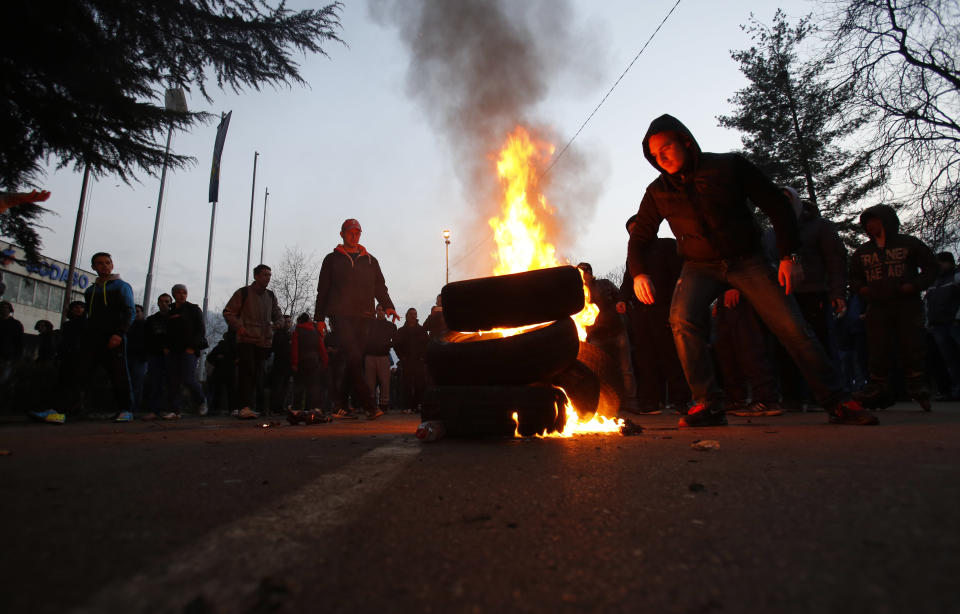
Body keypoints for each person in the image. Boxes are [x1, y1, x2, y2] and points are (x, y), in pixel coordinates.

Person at [627, 114, 875, 427]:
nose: (659, 158)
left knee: (791, 327)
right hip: (699, 266)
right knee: (681, 319)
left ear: (685, 142)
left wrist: (789, 255)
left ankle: (837, 400)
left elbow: (777, 204)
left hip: (747, 259)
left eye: (665, 149)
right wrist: (639, 273)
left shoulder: (728, 166)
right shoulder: (657, 191)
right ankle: (708, 404)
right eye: (653, 154)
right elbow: (640, 238)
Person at [764, 190, 848, 408]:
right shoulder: (771, 234)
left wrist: (837, 292)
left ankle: (824, 395)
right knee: (784, 346)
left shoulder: (820, 227)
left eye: (786, 200)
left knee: (817, 344)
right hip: (781, 297)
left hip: (813, 291)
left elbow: (835, 260)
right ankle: (792, 396)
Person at [850, 205, 937, 410]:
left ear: (887, 222)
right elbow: (853, 276)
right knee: (878, 347)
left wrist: (915, 285)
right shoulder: (863, 252)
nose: (871, 226)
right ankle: (878, 388)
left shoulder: (908, 243)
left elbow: (931, 266)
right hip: (877, 305)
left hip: (906, 303)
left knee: (912, 344)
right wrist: (862, 289)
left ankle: (918, 386)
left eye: (875, 221)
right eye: (867, 223)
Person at [314, 218, 398, 420]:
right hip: (340, 314)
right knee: (353, 356)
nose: (354, 235)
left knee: (353, 359)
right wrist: (319, 318)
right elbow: (323, 290)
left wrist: (388, 306)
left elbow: (379, 286)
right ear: (342, 233)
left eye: (357, 232)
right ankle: (370, 405)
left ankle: (340, 404)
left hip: (364, 315)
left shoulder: (370, 260)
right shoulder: (331, 259)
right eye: (350, 232)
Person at [619, 231, 690, 414]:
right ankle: (650, 401)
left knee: (670, 355)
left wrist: (676, 303)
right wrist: (622, 299)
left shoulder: (667, 246)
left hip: (664, 309)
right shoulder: (634, 257)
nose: (635, 232)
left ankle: (681, 400)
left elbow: (679, 275)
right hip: (642, 315)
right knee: (645, 358)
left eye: (638, 228)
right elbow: (628, 280)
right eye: (631, 230)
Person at [80, 252, 136, 422]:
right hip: (93, 338)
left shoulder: (121, 286)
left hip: (114, 337)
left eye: (107, 262)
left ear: (112, 265)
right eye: (100, 263)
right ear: (93, 267)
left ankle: (126, 410)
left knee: (118, 374)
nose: (104, 266)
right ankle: (61, 409)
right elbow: (89, 316)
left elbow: (129, 311)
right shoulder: (90, 291)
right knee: (78, 372)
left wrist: (119, 333)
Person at [223, 264, 283, 419]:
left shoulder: (270, 295)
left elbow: (276, 312)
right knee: (246, 372)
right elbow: (228, 312)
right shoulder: (243, 293)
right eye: (265, 274)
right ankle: (243, 407)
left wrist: (279, 322)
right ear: (256, 276)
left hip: (264, 341)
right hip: (246, 339)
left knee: (257, 374)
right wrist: (239, 327)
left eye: (269, 275)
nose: (268, 277)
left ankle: (245, 406)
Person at [577, 262, 635, 409]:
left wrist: (621, 303)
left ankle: (630, 402)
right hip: (596, 337)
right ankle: (603, 404)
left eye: (585, 273)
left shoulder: (605, 284)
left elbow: (619, 296)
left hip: (617, 331)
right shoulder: (576, 291)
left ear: (590, 274)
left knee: (626, 369)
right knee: (598, 371)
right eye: (580, 273)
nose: (584, 276)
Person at [163, 284, 208, 419]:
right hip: (173, 350)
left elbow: (200, 330)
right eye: (179, 293)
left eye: (184, 292)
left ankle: (201, 400)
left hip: (189, 350)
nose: (182, 295)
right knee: (173, 380)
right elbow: (167, 331)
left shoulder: (193, 309)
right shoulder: (170, 312)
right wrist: (166, 347)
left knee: (188, 379)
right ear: (174, 295)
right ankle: (175, 410)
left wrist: (192, 347)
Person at [924, 252, 960, 401]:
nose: (938, 267)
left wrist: (958, 317)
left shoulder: (956, 278)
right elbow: (927, 303)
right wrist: (928, 322)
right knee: (946, 360)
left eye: (940, 264)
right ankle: (950, 390)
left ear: (949, 263)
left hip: (954, 324)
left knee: (955, 357)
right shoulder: (934, 282)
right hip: (937, 325)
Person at [291, 312, 329, 412]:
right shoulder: (315, 333)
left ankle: (296, 408)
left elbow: (294, 348)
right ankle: (311, 408)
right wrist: (325, 363)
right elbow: (322, 349)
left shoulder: (297, 331)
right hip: (314, 362)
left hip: (301, 362)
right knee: (312, 386)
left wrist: (294, 363)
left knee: (299, 386)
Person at [393, 307, 429, 413]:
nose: (413, 316)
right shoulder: (401, 331)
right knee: (406, 384)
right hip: (407, 361)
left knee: (420, 384)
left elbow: (427, 344)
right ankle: (407, 406)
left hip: (419, 361)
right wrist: (401, 357)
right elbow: (396, 345)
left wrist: (423, 357)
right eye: (411, 314)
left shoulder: (422, 330)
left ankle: (417, 405)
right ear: (407, 316)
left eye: (415, 314)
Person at [142, 294, 172, 420]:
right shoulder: (151, 320)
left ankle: (169, 409)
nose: (164, 303)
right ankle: (154, 410)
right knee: (155, 383)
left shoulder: (175, 318)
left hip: (171, 355)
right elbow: (147, 338)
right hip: (155, 355)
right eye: (161, 301)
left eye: (166, 301)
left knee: (170, 383)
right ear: (158, 303)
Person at [364, 304, 397, 412]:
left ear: (386, 312)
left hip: (383, 356)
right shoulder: (369, 324)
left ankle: (384, 405)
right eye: (378, 310)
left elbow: (396, 340)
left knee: (385, 382)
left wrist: (388, 345)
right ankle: (371, 405)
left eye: (382, 310)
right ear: (376, 311)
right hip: (370, 355)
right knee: (370, 383)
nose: (381, 312)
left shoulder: (390, 326)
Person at [269, 315, 293, 413]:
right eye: (287, 321)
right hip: (280, 364)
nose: (289, 323)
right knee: (278, 386)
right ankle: (276, 407)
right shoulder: (278, 334)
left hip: (287, 365)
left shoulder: (289, 334)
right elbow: (275, 347)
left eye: (290, 322)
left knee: (285, 387)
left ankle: (281, 406)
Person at [126, 305, 147, 412]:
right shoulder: (126, 326)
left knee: (137, 384)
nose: (135, 313)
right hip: (127, 357)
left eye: (137, 311)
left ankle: (134, 408)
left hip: (140, 358)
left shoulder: (146, 325)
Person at [0, 300, 24, 387]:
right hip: (7, 356)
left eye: (5, 308)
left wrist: (17, 357)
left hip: (8, 357)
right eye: (2, 308)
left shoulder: (16, 324)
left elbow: (19, 342)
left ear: (10, 310)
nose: (3, 310)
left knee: (4, 381)